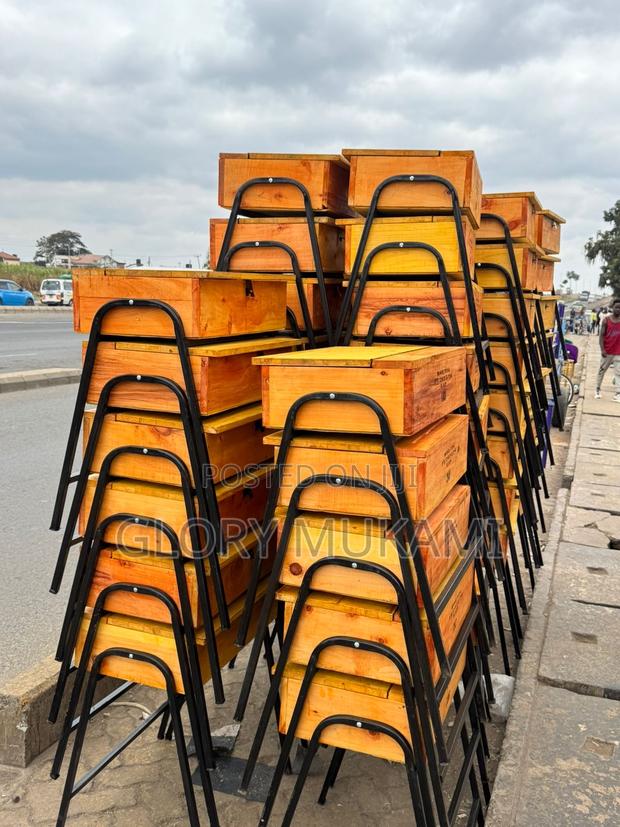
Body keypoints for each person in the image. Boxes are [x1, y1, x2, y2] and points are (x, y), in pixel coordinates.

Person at [595, 297, 620, 400]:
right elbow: (601, 336)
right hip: (607, 351)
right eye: (616, 307)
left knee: (618, 373)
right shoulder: (606, 320)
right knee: (601, 371)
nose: (618, 309)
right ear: (612, 308)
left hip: (618, 352)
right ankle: (597, 390)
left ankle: (618, 393)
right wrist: (602, 350)